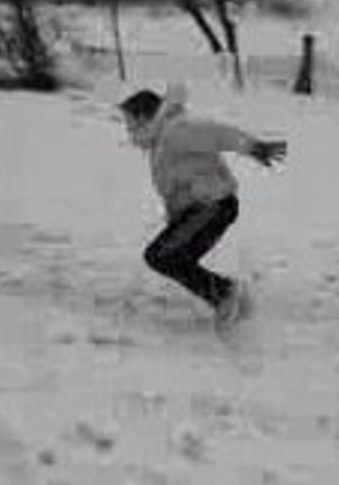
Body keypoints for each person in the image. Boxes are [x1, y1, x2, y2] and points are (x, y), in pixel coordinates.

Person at [119, 84, 287, 329]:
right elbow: (176, 190)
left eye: (130, 124)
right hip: (205, 209)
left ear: (145, 118)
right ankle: (231, 298)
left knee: (160, 256)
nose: (129, 131)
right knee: (171, 257)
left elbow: (216, 133)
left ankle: (227, 296)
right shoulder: (160, 144)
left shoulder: (175, 131)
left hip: (212, 206)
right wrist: (175, 223)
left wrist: (252, 146)